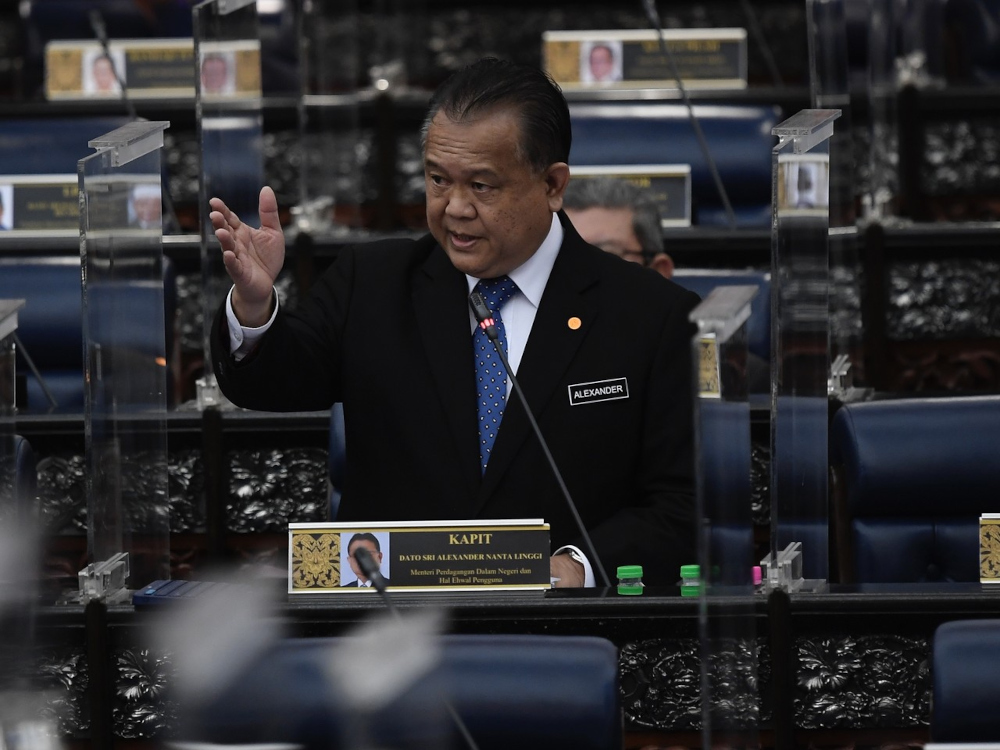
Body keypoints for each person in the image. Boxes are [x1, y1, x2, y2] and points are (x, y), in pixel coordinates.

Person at [209, 58, 698, 587]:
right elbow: (270, 381)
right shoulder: (372, 283)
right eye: (438, 179)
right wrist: (254, 307)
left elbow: (683, 505)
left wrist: (577, 567)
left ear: (554, 185)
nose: (455, 208)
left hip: (565, 634)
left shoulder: (652, 315)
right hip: (390, 633)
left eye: (483, 186)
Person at [564, 176, 769, 393]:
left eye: (604, 256)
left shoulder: (733, 376)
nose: (580, 274)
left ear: (658, 271)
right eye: (565, 257)